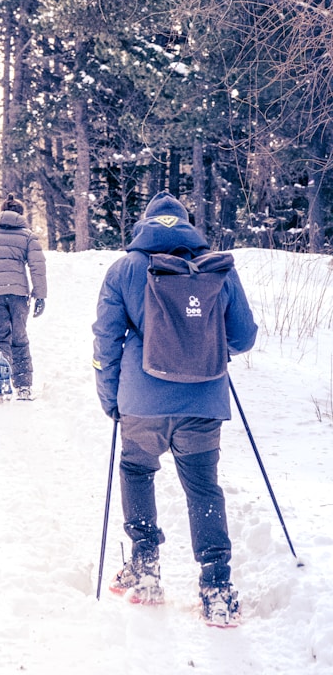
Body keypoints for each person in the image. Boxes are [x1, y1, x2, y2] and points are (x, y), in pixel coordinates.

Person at [92, 191, 257, 625]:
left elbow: (106, 342)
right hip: (203, 400)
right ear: (187, 225)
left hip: (142, 404)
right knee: (203, 488)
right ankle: (217, 588)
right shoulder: (216, 269)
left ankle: (145, 569)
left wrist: (111, 398)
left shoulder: (125, 269)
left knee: (137, 471)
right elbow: (242, 338)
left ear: (145, 224)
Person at [0, 193, 47, 399]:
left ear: (2, 212)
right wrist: (40, 296)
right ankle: (23, 387)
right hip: (19, 294)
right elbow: (37, 267)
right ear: (20, 214)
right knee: (19, 338)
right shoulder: (28, 236)